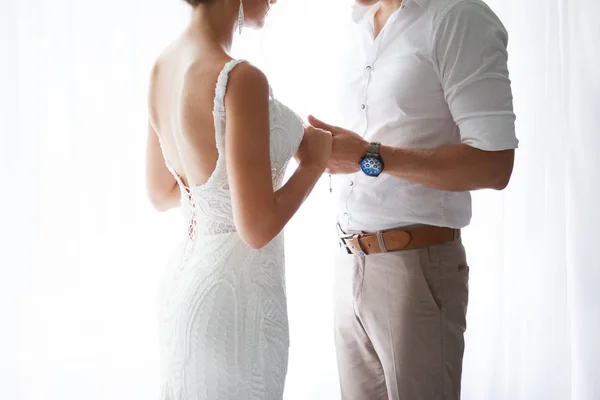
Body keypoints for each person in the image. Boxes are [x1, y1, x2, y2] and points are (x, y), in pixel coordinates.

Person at [308, 0, 518, 399]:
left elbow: (495, 165)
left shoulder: (457, 16)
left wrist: (368, 156)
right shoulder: (360, 28)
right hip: (348, 262)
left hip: (415, 269)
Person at [145, 0, 332, 398]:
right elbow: (257, 227)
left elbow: (161, 192)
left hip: (184, 288)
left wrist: (225, 198)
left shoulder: (163, 67)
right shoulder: (239, 79)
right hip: (233, 306)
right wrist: (314, 164)